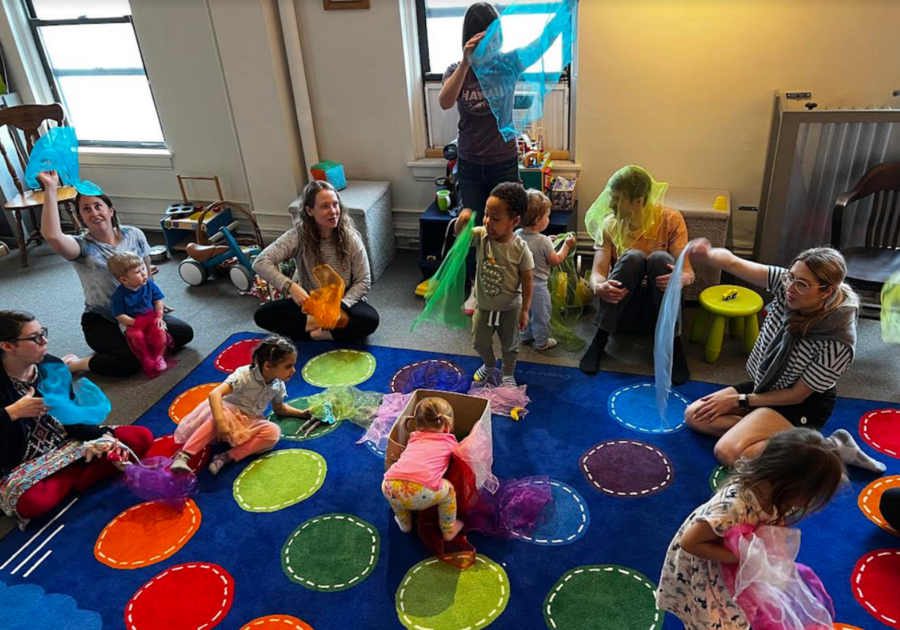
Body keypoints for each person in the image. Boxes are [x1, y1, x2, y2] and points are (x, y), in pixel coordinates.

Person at [684, 241, 885, 473]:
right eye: (791, 277)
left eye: (802, 284)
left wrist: (738, 400)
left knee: (728, 452)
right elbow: (732, 262)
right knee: (695, 416)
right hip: (767, 386)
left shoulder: (838, 340)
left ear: (827, 291)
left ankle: (826, 448)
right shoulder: (787, 285)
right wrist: (708, 254)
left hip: (801, 405)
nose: (790, 287)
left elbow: (796, 395)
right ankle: (794, 442)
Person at [440, 2, 569, 312]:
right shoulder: (456, 70)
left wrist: (566, 10)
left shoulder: (508, 64)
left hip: (503, 162)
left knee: (507, 229)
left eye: (497, 37)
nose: (493, 44)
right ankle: (475, 287)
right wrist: (466, 63)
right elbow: (445, 100)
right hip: (470, 164)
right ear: (470, 38)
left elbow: (542, 42)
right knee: (471, 229)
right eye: (486, 38)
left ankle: (507, 286)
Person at [656, 428, 846, 630]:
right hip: (708, 571)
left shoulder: (776, 495)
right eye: (808, 496)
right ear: (788, 484)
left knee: (739, 614)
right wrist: (741, 558)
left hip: (735, 569)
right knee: (711, 621)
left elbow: (773, 521)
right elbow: (690, 542)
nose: (805, 503)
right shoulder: (732, 508)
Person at [0, 310, 153, 525]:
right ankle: (80, 472)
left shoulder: (51, 366)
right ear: (8, 346)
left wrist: (102, 436)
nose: (45, 340)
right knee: (31, 503)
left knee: (140, 438)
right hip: (20, 463)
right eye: (35, 337)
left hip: (68, 444)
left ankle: (71, 475)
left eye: (43, 332)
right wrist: (12, 413)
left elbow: (72, 419)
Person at [38, 171, 193, 376]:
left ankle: (131, 345)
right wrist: (50, 188)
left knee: (184, 333)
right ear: (82, 218)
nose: (94, 213)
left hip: (139, 312)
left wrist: (156, 301)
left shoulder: (134, 234)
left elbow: (146, 272)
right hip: (102, 317)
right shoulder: (82, 247)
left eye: (97, 206)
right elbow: (52, 235)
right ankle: (75, 364)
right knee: (128, 362)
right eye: (86, 209)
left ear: (110, 210)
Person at [579, 166, 694, 382]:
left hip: (658, 310)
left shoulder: (671, 219)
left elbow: (688, 271)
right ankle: (600, 339)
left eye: (617, 199)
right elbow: (597, 273)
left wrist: (683, 277)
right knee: (633, 257)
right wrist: (598, 287)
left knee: (660, 258)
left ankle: (674, 344)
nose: (610, 204)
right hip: (623, 309)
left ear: (638, 201)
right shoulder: (610, 225)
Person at [252, 181, 379, 342]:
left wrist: (340, 307)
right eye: (325, 206)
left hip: (344, 302)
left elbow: (363, 281)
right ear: (309, 211)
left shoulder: (351, 238)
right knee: (262, 315)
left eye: (335, 205)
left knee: (369, 320)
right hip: (311, 304)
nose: (333, 211)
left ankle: (315, 332)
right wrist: (291, 286)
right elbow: (260, 261)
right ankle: (323, 328)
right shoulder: (298, 236)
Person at [171, 336, 309, 475]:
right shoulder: (244, 375)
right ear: (267, 366)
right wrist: (221, 423)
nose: (293, 371)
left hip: (248, 420)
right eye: (288, 366)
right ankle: (184, 456)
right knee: (222, 414)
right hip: (225, 414)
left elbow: (280, 409)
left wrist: (302, 413)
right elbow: (215, 395)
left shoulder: (278, 385)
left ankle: (226, 457)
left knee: (273, 432)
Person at [455, 182, 534, 387]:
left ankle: (508, 373)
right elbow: (461, 235)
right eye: (486, 215)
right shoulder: (481, 236)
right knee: (479, 342)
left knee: (510, 346)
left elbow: (527, 280)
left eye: (496, 218)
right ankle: (490, 363)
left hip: (509, 308)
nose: (488, 221)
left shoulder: (520, 249)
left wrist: (525, 309)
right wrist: (462, 222)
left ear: (514, 221)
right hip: (484, 306)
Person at [382, 397, 464, 542]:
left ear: (416, 424)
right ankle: (448, 529)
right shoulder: (450, 442)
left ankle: (404, 523)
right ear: (446, 425)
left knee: (396, 496)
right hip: (421, 493)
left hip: (389, 485)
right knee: (449, 491)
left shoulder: (414, 437)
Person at [517, 189, 576, 351]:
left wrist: (548, 242)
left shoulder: (515, 235)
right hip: (538, 288)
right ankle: (542, 342)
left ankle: (525, 336)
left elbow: (531, 247)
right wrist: (566, 245)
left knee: (524, 311)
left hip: (519, 286)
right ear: (537, 220)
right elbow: (555, 260)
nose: (548, 219)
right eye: (547, 216)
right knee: (542, 315)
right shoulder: (543, 241)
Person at [107, 252, 172, 377]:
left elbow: (158, 301)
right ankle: (146, 356)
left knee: (160, 330)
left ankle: (159, 357)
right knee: (136, 335)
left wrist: (159, 316)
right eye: (138, 272)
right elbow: (120, 316)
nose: (144, 273)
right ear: (124, 280)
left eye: (143, 268)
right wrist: (136, 323)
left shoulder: (149, 285)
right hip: (131, 321)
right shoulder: (118, 296)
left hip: (150, 316)